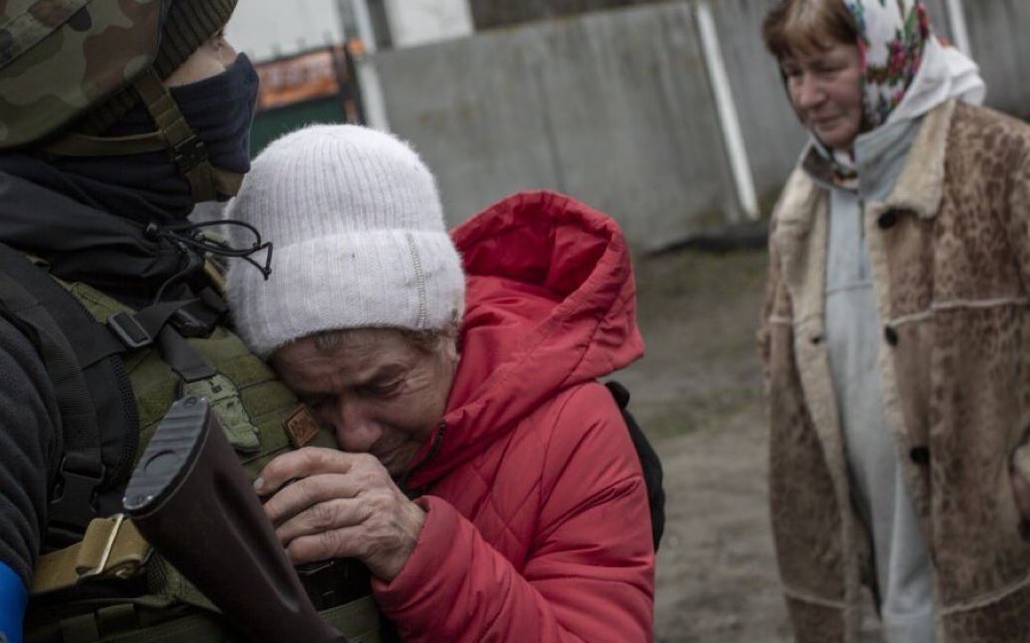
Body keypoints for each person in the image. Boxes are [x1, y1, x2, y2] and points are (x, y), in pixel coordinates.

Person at [0, 2, 377, 641]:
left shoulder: (179, 273)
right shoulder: (17, 339)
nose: (238, 69)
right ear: (113, 104)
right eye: (215, 44)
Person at [223, 123, 656, 642]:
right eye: (316, 400)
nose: (355, 434)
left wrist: (416, 550)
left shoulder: (575, 431)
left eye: (382, 386)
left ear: (448, 329)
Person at [757, 0, 1030, 641]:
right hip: (892, 596)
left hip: (1002, 574)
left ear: (887, 57)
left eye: (826, 69)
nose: (808, 96)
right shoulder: (804, 205)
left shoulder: (1001, 160)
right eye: (792, 74)